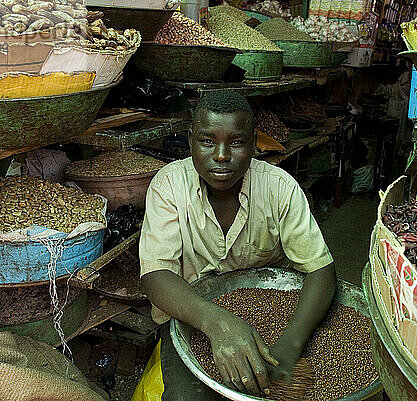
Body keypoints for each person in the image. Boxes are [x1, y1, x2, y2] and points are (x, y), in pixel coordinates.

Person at [139, 90, 336, 400]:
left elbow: (321, 271)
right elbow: (156, 275)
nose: (221, 155)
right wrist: (217, 322)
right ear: (191, 140)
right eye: (207, 141)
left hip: (274, 314)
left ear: (254, 142)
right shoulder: (169, 186)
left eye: (236, 142)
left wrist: (290, 345)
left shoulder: (280, 187)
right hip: (192, 314)